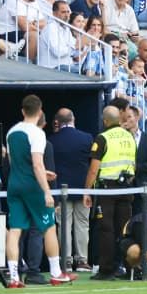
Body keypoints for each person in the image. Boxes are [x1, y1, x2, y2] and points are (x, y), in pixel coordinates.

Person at [3, 95, 73, 288]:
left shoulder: (12, 132)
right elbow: (36, 164)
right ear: (40, 111)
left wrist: (43, 173)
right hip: (32, 186)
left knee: (15, 230)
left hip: (14, 184)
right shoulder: (37, 133)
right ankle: (56, 272)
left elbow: (14, 162)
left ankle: (14, 277)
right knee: (48, 226)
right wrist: (47, 191)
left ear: (23, 111)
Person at [82, 102, 137, 281]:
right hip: (127, 188)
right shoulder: (130, 137)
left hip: (107, 190)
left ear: (105, 121)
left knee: (106, 230)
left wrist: (87, 191)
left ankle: (107, 270)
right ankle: (129, 267)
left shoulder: (102, 138)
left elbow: (93, 169)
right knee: (125, 229)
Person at [49, 108, 94, 272]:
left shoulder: (52, 140)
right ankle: (82, 260)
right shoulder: (87, 138)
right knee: (83, 224)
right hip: (83, 189)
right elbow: (92, 164)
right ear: (73, 119)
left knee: (63, 225)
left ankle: (66, 261)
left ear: (57, 122)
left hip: (61, 189)